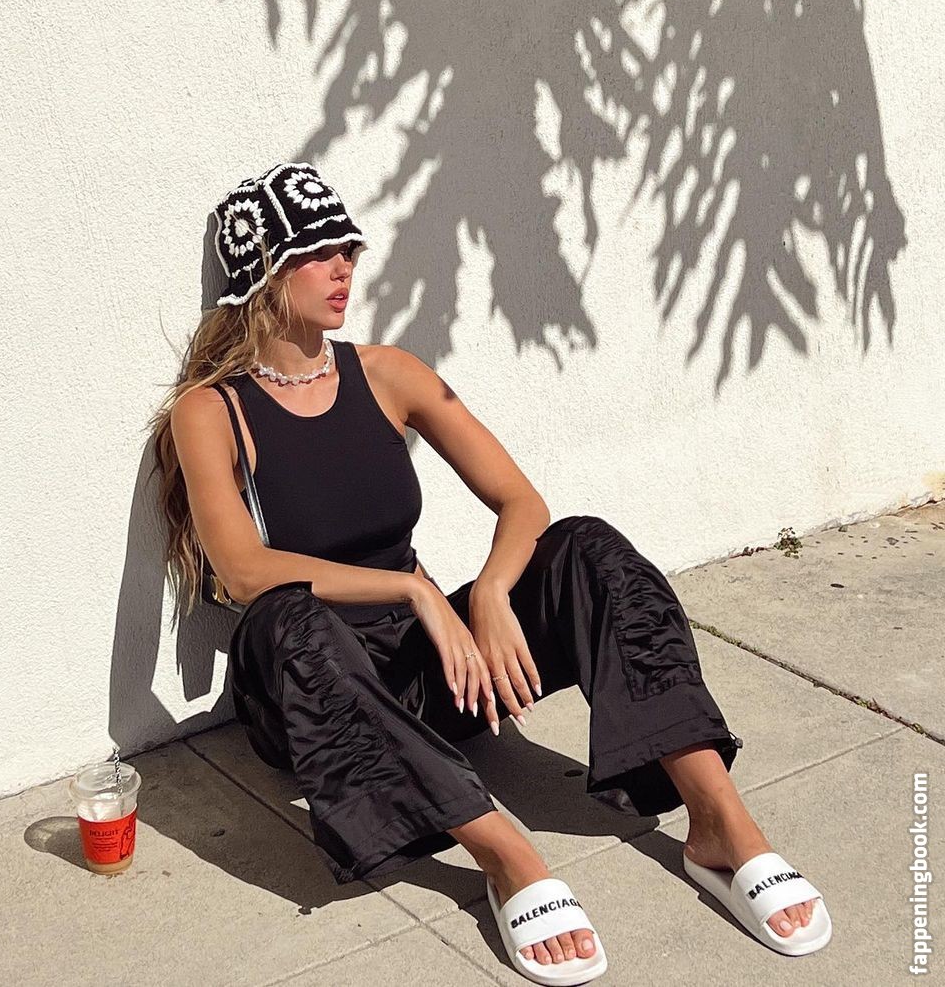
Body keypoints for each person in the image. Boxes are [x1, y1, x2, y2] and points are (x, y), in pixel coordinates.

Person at [151, 160, 831, 982]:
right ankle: (506, 854)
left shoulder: (388, 373)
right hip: (312, 692)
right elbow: (243, 567)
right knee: (285, 618)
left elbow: (520, 501)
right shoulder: (211, 409)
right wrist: (415, 590)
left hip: (433, 672)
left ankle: (721, 823)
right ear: (261, 272)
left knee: (589, 548)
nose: (344, 268)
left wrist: (492, 594)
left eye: (349, 249)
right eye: (319, 252)